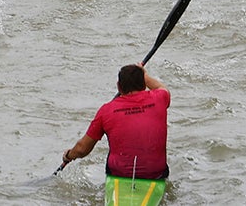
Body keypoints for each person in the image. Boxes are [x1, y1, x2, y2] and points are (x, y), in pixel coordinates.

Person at [61, 63, 171, 200]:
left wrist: (68, 156)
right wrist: (145, 75)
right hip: (155, 175)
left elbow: (82, 149)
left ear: (119, 87)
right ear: (143, 85)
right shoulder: (159, 98)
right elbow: (163, 88)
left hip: (119, 176)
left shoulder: (106, 111)